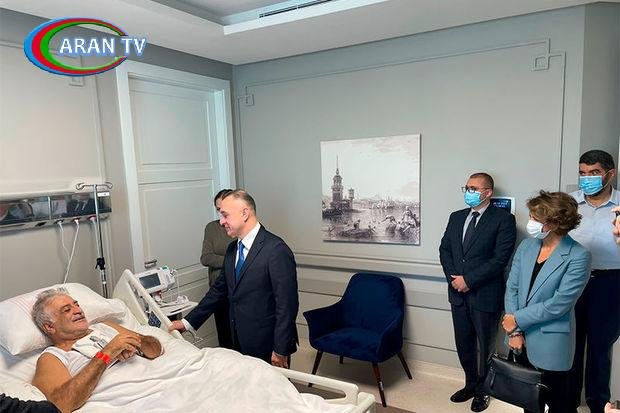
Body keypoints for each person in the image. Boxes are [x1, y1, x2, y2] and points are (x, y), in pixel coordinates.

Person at [169, 189, 299, 367]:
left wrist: (281, 348)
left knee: (271, 385)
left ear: (245, 213)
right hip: (237, 337)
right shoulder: (232, 250)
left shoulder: (276, 250)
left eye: (225, 215)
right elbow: (218, 291)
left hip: (267, 342)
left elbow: (287, 304)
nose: (221, 222)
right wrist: (187, 322)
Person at [503, 191, 591, 413]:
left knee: (560, 405)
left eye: (535, 218)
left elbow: (559, 304)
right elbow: (512, 288)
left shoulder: (578, 255)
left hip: (551, 342)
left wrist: (516, 320)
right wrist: (514, 332)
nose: (530, 222)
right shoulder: (526, 246)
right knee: (529, 403)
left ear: (555, 223)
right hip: (519, 338)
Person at [439, 172, 516, 412]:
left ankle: (484, 390)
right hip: (457, 294)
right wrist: (454, 280)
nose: (468, 192)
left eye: (473, 188)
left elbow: (500, 259)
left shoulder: (503, 220)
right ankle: (470, 384)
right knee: (464, 344)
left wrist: (469, 281)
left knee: (485, 347)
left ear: (488, 192)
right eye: (467, 188)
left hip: (485, 294)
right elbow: (445, 250)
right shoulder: (456, 217)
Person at [30, 288, 163, 413]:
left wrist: (137, 343)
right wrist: (107, 354)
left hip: (159, 386)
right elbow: (61, 405)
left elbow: (156, 350)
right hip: (132, 403)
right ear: (49, 327)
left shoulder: (105, 327)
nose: (78, 310)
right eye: (67, 310)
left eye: (76, 305)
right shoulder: (52, 357)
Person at [567, 150, 620, 413]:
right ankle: (568, 400)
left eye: (594, 172)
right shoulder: (569, 204)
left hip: (610, 283)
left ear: (610, 174)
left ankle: (598, 403)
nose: (587, 178)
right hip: (572, 281)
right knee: (571, 344)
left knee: (601, 346)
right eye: (583, 173)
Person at [199, 188, 234, 348]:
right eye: (218, 209)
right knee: (224, 335)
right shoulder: (212, 228)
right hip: (218, 288)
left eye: (224, 209)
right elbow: (206, 258)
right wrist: (233, 260)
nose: (221, 214)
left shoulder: (239, 228)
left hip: (237, 288)